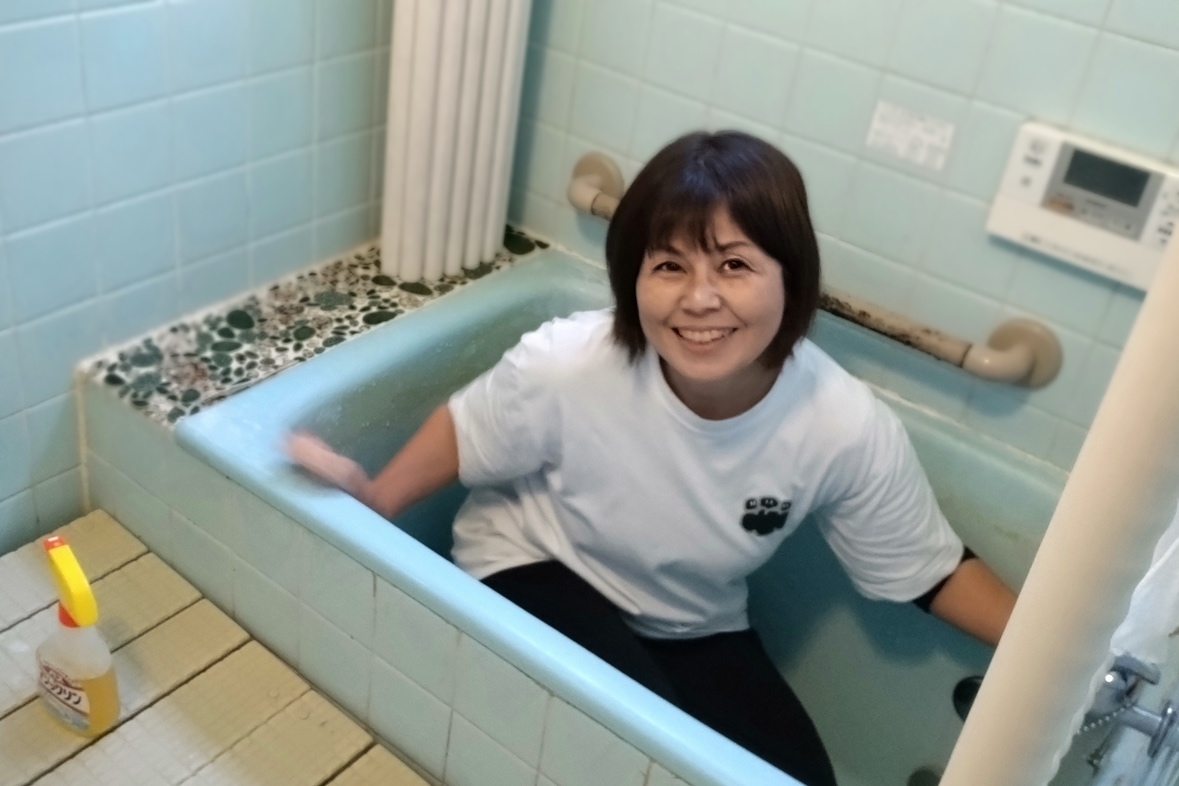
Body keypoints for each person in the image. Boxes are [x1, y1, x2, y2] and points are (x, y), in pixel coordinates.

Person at [287, 130, 1017, 785]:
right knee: (640, 749)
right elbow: (470, 429)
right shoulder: (573, 362)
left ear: (790, 277)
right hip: (535, 564)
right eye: (669, 265)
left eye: (734, 264)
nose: (699, 299)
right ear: (633, 279)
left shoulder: (842, 425)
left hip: (689, 619)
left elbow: (930, 570)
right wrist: (377, 501)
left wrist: (1057, 661)